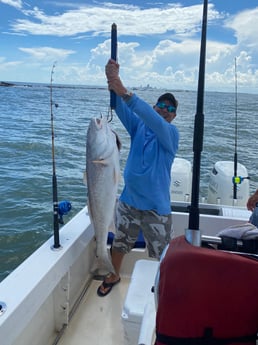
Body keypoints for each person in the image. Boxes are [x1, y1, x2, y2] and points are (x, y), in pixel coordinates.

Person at [97, 59, 179, 297]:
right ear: (154, 107)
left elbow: (142, 110)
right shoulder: (139, 128)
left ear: (173, 117)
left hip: (156, 208)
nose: (165, 109)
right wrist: (112, 83)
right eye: (161, 105)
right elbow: (121, 108)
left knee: (161, 252)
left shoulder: (170, 134)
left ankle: (164, 287)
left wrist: (124, 90)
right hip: (129, 201)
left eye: (171, 108)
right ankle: (113, 274)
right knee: (120, 243)